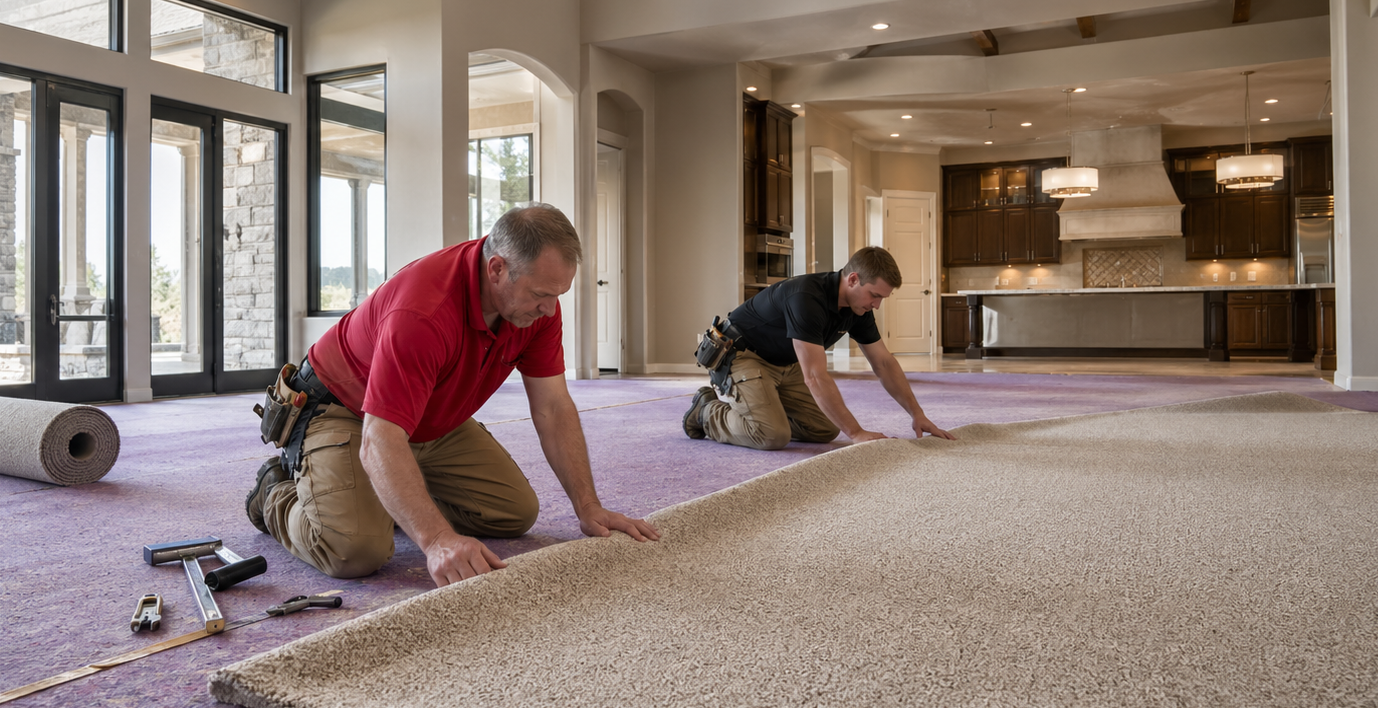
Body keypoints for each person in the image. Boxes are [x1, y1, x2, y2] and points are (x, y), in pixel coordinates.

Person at [246, 204, 659, 587]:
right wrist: (437, 539)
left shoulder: (533, 307)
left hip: (425, 416)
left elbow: (552, 406)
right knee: (355, 551)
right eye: (540, 295)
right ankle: (276, 492)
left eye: (557, 295)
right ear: (497, 268)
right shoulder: (423, 312)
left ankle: (378, 496)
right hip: (343, 410)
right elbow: (380, 438)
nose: (549, 310)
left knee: (513, 512)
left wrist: (588, 507)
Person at [683, 246, 955, 450]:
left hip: (784, 363)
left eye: (882, 298)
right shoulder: (806, 298)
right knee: (771, 435)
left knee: (825, 427)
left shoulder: (857, 309)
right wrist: (857, 433)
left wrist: (917, 414)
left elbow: (883, 363)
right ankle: (706, 409)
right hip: (742, 355)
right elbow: (814, 376)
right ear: (852, 279)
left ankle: (764, 410)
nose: (877, 305)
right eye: (875, 295)